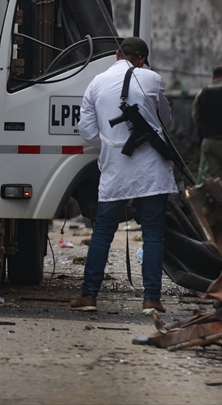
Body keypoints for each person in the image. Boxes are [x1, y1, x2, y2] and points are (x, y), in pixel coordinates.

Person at [71, 36, 175, 315]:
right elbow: (165, 119)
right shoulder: (152, 78)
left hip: (116, 169)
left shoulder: (96, 82)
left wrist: (112, 143)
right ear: (142, 59)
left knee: (103, 232)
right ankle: (151, 299)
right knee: (153, 233)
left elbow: (87, 131)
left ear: (117, 55)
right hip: (152, 169)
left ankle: (89, 296)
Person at [192, 66, 222, 183]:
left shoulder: (202, 92)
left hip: (209, 142)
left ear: (213, 77)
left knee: (215, 182)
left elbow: (196, 117)